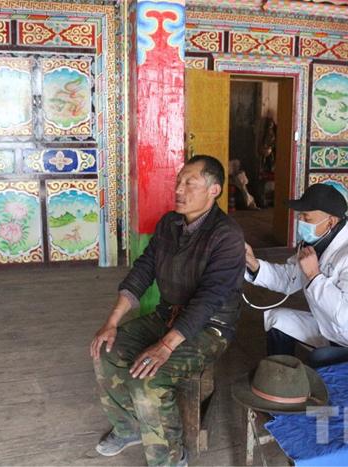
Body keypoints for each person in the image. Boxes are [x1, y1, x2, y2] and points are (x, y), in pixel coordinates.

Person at [90, 155, 245, 466]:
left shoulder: (227, 235)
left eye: (190, 183)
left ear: (213, 190)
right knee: (107, 349)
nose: (179, 189)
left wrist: (165, 346)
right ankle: (129, 427)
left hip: (209, 327)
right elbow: (143, 271)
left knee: (149, 380)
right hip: (168, 315)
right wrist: (112, 321)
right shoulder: (169, 224)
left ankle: (170, 459)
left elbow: (209, 299)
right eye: (178, 181)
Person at [244, 183, 348, 363]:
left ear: (330, 222)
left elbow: (347, 316)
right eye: (300, 216)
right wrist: (254, 264)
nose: (301, 222)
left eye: (307, 218)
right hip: (330, 328)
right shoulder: (318, 243)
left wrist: (314, 276)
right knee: (277, 320)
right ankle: (280, 376)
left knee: (320, 359)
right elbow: (288, 279)